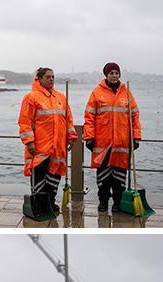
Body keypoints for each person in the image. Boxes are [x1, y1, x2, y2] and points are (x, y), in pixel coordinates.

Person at [83, 62, 142, 213]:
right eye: (111, 73)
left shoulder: (127, 93)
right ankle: (103, 202)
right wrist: (89, 136)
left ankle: (118, 203)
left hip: (122, 143)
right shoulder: (96, 93)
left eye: (117, 73)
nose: (114, 76)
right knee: (103, 176)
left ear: (120, 75)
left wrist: (136, 137)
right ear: (106, 75)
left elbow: (135, 117)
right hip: (102, 143)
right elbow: (89, 117)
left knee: (119, 177)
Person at [18, 67, 78, 215]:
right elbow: (25, 122)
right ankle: (38, 205)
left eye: (53, 77)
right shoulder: (31, 97)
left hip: (58, 146)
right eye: (48, 77)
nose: (51, 79)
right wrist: (29, 142)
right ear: (39, 79)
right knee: (39, 177)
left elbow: (68, 120)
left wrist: (71, 137)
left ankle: (51, 202)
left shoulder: (61, 98)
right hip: (40, 147)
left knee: (54, 176)